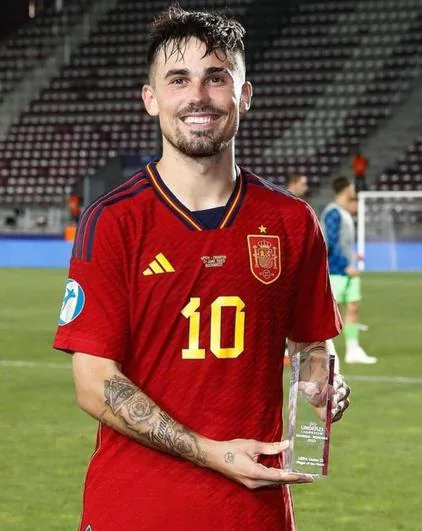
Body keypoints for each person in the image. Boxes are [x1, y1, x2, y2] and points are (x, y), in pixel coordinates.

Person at [53, 6, 350, 530]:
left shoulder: (291, 220)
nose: (198, 96)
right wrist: (212, 452)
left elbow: (312, 345)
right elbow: (94, 383)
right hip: (133, 511)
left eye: (217, 77)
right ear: (151, 99)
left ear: (245, 94)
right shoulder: (114, 219)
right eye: (178, 79)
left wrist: (320, 382)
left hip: (251, 515)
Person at [320, 177, 377, 365]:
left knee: (353, 306)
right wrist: (345, 265)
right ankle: (326, 354)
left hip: (347, 270)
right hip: (336, 271)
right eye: (352, 188)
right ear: (346, 190)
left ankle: (353, 349)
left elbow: (342, 243)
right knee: (329, 313)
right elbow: (331, 243)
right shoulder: (333, 213)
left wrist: (353, 256)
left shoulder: (342, 213)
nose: (354, 191)